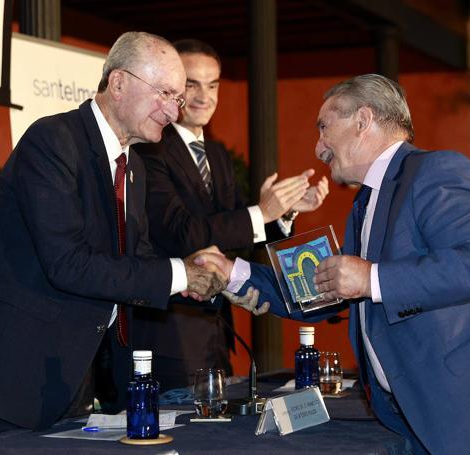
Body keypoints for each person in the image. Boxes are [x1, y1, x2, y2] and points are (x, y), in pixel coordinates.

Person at [202, 74, 470, 454]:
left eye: (323, 127)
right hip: (423, 418)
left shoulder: (438, 171)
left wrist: (370, 277)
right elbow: (324, 289)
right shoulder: (365, 204)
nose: (318, 147)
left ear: (363, 119)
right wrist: (232, 271)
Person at [0, 32, 242, 439]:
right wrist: (179, 274)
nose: (174, 111)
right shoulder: (52, 141)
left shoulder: (133, 167)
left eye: (177, 99)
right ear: (119, 83)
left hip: (80, 378)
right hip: (17, 376)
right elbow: (68, 263)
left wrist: (196, 277)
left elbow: (134, 262)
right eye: (166, 94)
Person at [131, 39, 328, 389]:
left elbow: (236, 230)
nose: (203, 96)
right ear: (171, 87)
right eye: (191, 84)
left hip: (216, 334)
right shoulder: (146, 150)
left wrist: (283, 213)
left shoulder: (217, 154)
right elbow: (183, 235)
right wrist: (260, 211)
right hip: (169, 335)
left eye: (213, 84)